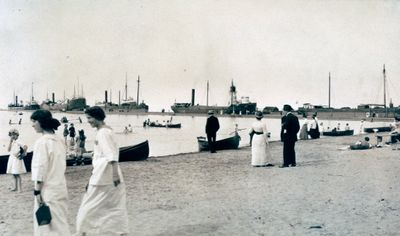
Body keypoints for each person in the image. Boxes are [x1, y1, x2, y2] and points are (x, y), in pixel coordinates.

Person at [76, 106, 129, 235]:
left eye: (89, 118)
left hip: (104, 176)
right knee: (114, 206)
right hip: (103, 175)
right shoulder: (107, 131)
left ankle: (83, 232)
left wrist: (115, 174)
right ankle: (120, 232)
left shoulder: (103, 133)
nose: (88, 121)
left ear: (97, 117)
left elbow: (111, 155)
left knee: (88, 207)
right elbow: (104, 155)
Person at [30, 109, 71, 235]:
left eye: (34, 121)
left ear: (41, 122)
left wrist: (37, 190)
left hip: (47, 189)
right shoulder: (60, 141)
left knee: (46, 226)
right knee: (60, 222)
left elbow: (40, 168)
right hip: (60, 187)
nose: (32, 125)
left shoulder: (42, 142)